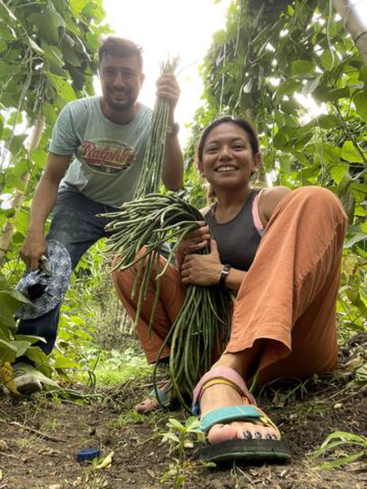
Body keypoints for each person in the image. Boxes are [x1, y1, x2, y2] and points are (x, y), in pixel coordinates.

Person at [112, 115, 347, 462]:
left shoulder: (273, 203)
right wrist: (188, 264)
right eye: (213, 149)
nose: (225, 154)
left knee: (317, 199)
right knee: (131, 257)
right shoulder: (197, 224)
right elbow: (193, 304)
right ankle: (181, 375)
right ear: (201, 166)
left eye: (237, 146)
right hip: (219, 343)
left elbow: (290, 283)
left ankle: (226, 377)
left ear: (255, 161)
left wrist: (222, 273)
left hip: (291, 344)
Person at [14, 36, 184, 393]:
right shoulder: (77, 113)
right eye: (110, 72)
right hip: (79, 200)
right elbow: (50, 177)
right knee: (52, 262)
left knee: (162, 266)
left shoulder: (155, 121)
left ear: (141, 78)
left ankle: (178, 359)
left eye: (127, 73)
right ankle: (28, 360)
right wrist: (35, 231)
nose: (119, 81)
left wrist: (169, 121)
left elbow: (173, 181)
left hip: (133, 208)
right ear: (99, 74)